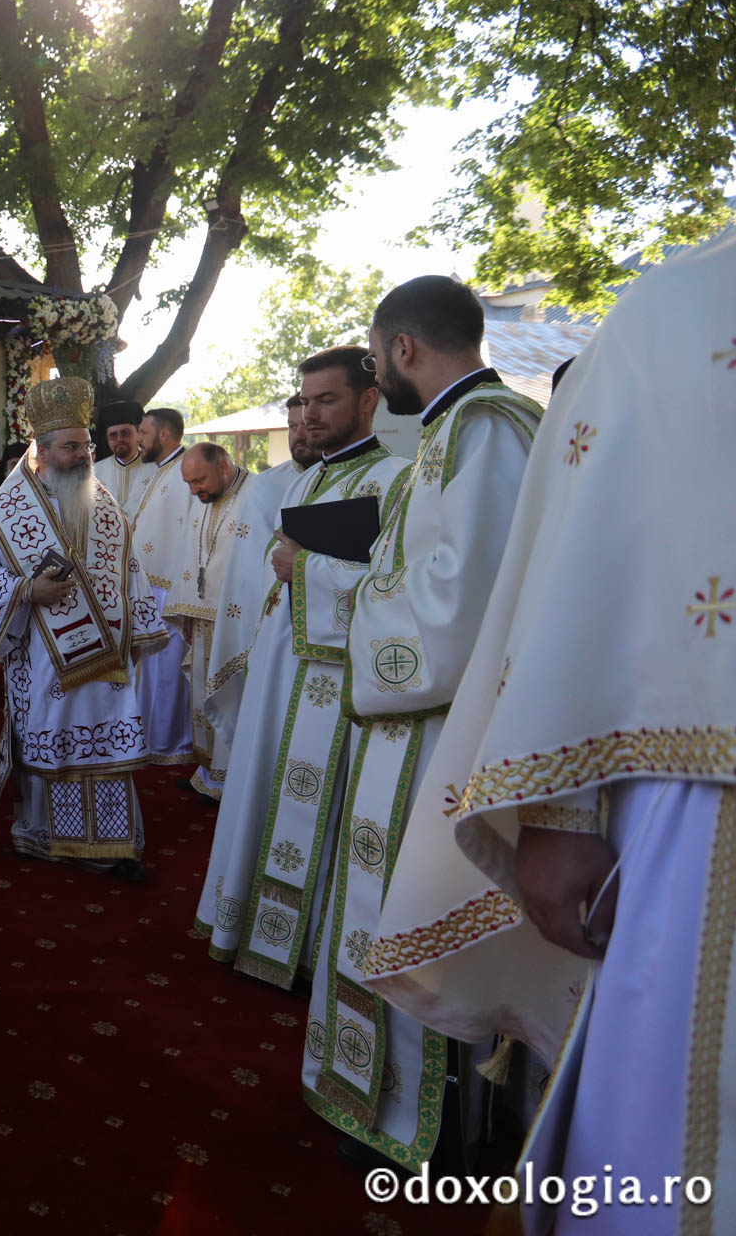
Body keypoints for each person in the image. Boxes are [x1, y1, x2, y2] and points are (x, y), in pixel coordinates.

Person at [366, 219, 736, 1232]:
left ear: (400, 349)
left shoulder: (488, 427)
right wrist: (561, 807)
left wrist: (349, 606)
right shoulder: (694, 299)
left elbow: (493, 598)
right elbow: (585, 581)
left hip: (698, 793)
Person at [273, 277, 541, 1169]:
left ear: (402, 349)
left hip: (439, 728)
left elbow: (461, 603)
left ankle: (422, 1115)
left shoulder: (483, 430)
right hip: (415, 723)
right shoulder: (453, 430)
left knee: (419, 906)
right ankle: (378, 1091)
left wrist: (321, 579)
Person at [192, 349, 404, 979]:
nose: (309, 415)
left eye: (326, 400)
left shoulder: (398, 481)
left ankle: (309, 950)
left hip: (343, 682)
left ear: (369, 400)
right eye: (305, 402)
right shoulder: (303, 482)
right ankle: (256, 930)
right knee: (267, 793)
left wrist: (306, 568)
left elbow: (401, 590)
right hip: (284, 671)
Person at [0, 377, 170, 876]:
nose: (82, 456)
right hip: (42, 653)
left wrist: (137, 632)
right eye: (70, 447)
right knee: (51, 737)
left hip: (106, 658)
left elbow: (128, 568)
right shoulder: (10, 508)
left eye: (86, 446)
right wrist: (26, 591)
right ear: (43, 450)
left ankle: (113, 844)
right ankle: (45, 835)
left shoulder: (104, 503)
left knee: (104, 736)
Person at [196, 393, 318, 793]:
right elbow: (248, 567)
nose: (299, 434)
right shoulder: (267, 485)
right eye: (292, 426)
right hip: (269, 626)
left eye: (306, 425)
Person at [166, 441, 258, 801]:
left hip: (238, 623)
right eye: (188, 483)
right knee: (204, 697)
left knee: (231, 697)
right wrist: (187, 610)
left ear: (223, 466)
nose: (194, 490)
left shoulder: (257, 495)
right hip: (203, 619)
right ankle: (208, 774)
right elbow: (190, 551)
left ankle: (230, 781)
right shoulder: (203, 499)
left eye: (198, 481)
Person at [125, 406, 195, 767]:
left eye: (143, 432)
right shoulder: (161, 470)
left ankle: (170, 744)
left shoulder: (186, 472)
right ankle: (150, 738)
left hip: (171, 589)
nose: (138, 439)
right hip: (150, 588)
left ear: (163, 434)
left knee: (167, 672)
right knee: (150, 672)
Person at [90, 399, 145, 512]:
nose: (119, 439)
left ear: (139, 433)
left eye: (125, 433)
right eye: (113, 435)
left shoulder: (156, 469)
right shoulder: (95, 473)